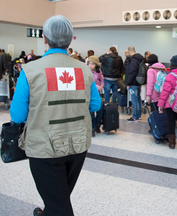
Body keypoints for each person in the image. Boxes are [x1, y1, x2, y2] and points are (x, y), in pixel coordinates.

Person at [10, 15, 101, 216]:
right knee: (59, 197)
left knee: (59, 205)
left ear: (44, 38)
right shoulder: (84, 69)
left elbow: (17, 115)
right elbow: (95, 104)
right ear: (70, 39)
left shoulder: (31, 69)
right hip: (78, 145)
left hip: (44, 148)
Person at [125, 46, 144, 122]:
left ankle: (135, 116)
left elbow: (132, 72)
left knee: (134, 99)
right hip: (138, 82)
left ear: (129, 52)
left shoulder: (133, 60)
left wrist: (128, 83)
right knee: (138, 99)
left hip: (133, 83)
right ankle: (138, 115)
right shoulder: (139, 59)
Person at [88, 55, 104, 136]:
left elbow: (102, 79)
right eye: (89, 63)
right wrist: (98, 87)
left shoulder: (99, 71)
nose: (90, 65)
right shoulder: (86, 71)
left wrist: (102, 86)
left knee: (100, 110)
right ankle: (92, 128)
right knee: (91, 112)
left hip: (98, 94)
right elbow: (89, 83)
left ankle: (98, 125)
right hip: (90, 94)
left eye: (92, 64)